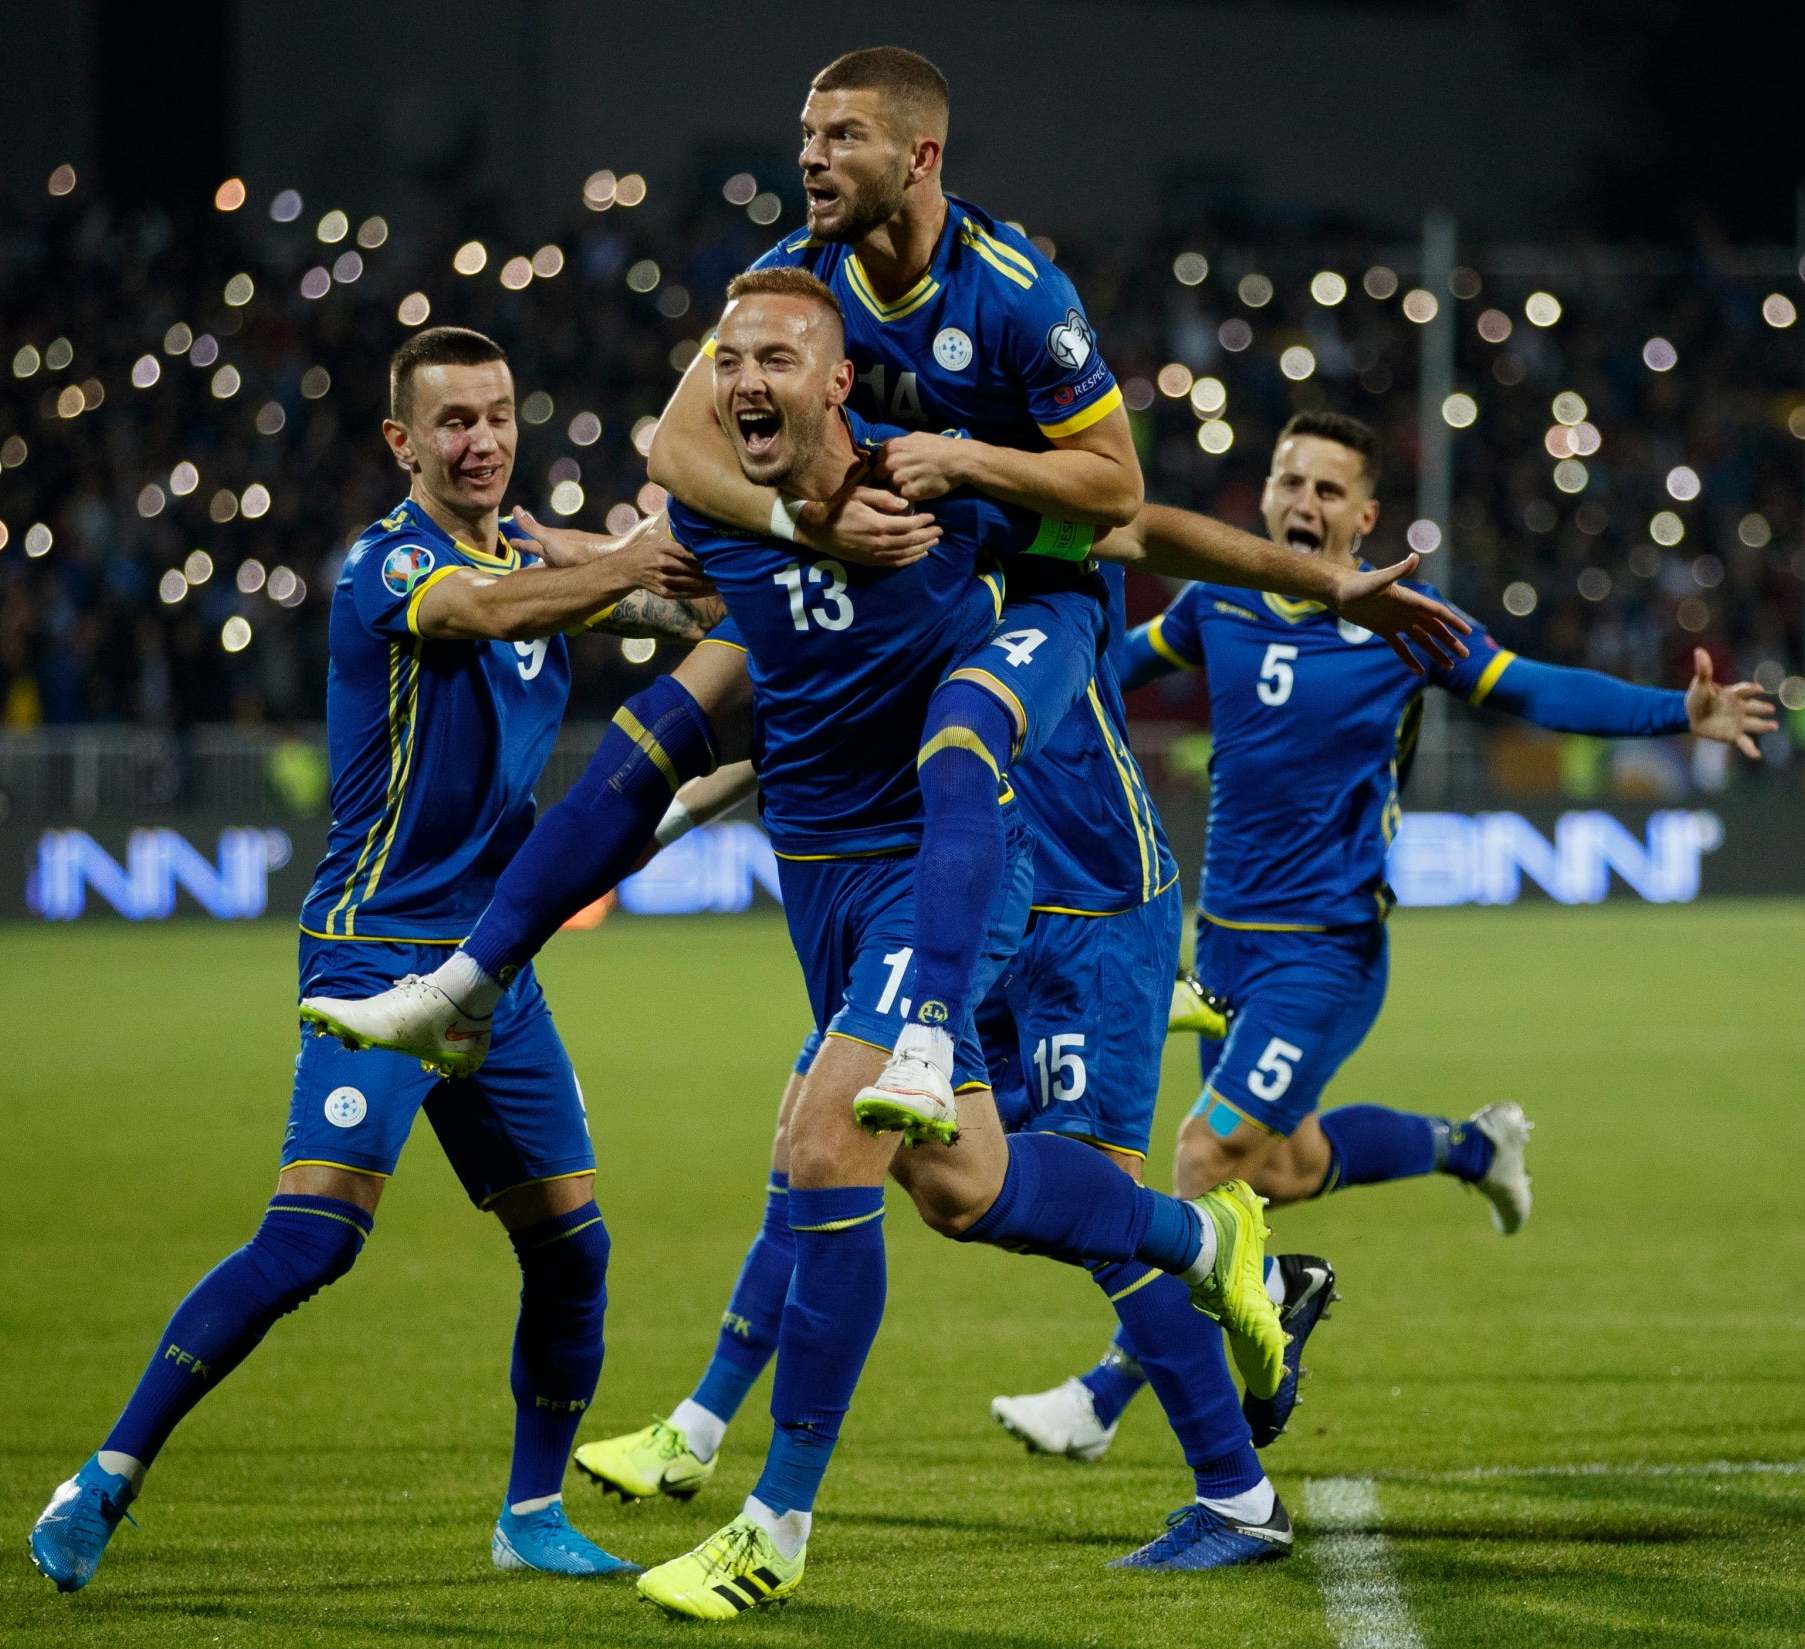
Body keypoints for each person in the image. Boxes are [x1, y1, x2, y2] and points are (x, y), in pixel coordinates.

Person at [296, 46, 1464, 1082]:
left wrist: (965, 460)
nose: (807, 156)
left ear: (918, 156)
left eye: (837, 135)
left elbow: (1116, 500)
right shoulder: (796, 281)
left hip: (1013, 588)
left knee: (969, 756)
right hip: (848, 575)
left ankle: (1011, 994)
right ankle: (468, 984)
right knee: (661, 732)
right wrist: (806, 529)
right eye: (804, 134)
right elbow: (674, 443)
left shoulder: (1012, 297)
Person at [611, 270, 1290, 1618]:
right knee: (924, 1170)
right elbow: (774, 615)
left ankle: (1229, 1480)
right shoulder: (868, 523)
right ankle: (705, 1423)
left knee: (861, 1140)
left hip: (1089, 902)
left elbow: (1162, 524)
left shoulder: (1021, 520)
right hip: (959, 901)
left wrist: (1328, 580)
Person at [27, 326, 713, 1593]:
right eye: (453, 421)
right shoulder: (385, 564)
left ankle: (530, 1513)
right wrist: (617, 563)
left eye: (499, 414)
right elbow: (497, 607)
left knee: (574, 1247)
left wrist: (706, 569)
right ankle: (102, 1479)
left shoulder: (534, 549)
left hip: (493, 959)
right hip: (371, 948)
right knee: (315, 1240)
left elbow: (680, 606)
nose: (483, 440)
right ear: (401, 441)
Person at [988, 409, 1778, 1459]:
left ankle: (1104, 1395)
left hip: (1323, 955)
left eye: (1326, 490)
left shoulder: (1401, 625)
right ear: (1262, 495)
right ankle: (1471, 1145)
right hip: (1219, 945)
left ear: (1363, 516)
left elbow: (1533, 687)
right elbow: (1091, 673)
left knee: (1197, 1155)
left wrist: (1672, 714)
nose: (1302, 503)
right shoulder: (1216, 600)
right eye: (1287, 481)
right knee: (1276, 1167)